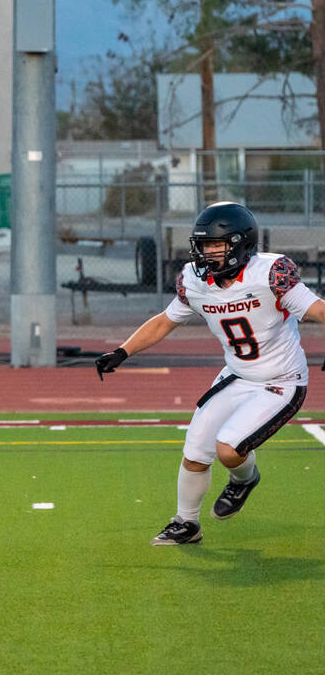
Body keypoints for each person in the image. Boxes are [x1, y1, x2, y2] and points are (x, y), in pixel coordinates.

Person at [96, 201, 325, 545]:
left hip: (281, 381)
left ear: (241, 244)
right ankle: (186, 524)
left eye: (217, 245)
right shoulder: (194, 280)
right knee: (195, 451)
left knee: (229, 449)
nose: (208, 253)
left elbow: (318, 309)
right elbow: (164, 321)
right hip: (236, 375)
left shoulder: (270, 272)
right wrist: (123, 351)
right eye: (204, 245)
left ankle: (243, 479)